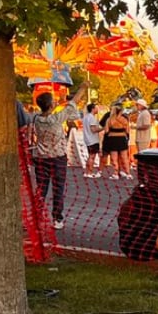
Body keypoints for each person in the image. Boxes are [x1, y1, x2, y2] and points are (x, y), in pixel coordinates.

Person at [31, 91, 79, 229]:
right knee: (58, 189)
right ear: (51, 104)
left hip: (41, 157)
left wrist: (60, 103)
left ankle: (37, 217)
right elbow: (72, 105)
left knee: (41, 189)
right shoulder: (56, 119)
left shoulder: (37, 119)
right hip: (57, 158)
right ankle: (57, 218)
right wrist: (82, 88)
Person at [101, 104, 133, 178]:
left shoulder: (109, 120)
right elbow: (127, 130)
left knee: (114, 157)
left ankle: (115, 173)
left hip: (112, 139)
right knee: (124, 157)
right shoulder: (124, 119)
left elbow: (106, 131)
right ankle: (128, 173)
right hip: (122, 139)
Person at [82, 103, 103, 177]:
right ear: (93, 109)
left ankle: (87, 172)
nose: (98, 110)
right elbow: (93, 130)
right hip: (92, 139)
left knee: (90, 156)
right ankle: (89, 172)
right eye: (96, 108)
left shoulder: (85, 117)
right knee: (92, 156)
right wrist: (103, 128)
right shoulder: (92, 118)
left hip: (88, 139)